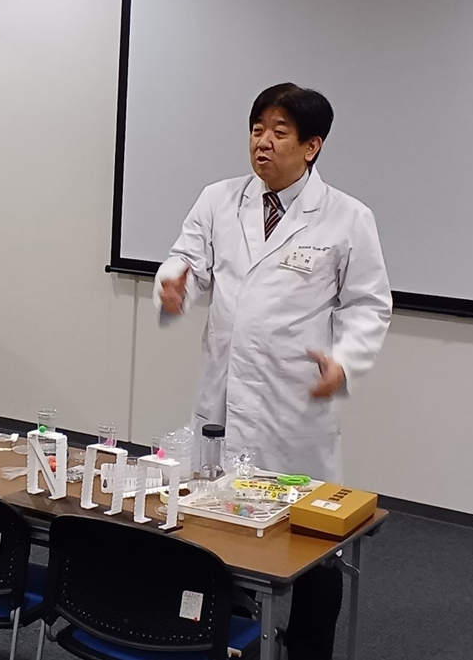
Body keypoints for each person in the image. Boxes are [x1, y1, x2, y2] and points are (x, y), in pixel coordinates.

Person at [154, 83, 391, 660]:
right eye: (257, 129)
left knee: (311, 546)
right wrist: (175, 278)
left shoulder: (347, 217)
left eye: (279, 132)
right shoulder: (219, 199)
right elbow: (188, 257)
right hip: (224, 399)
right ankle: (229, 642)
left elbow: (369, 304)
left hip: (294, 409)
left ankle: (306, 649)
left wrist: (345, 360)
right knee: (216, 531)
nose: (262, 142)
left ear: (311, 146)